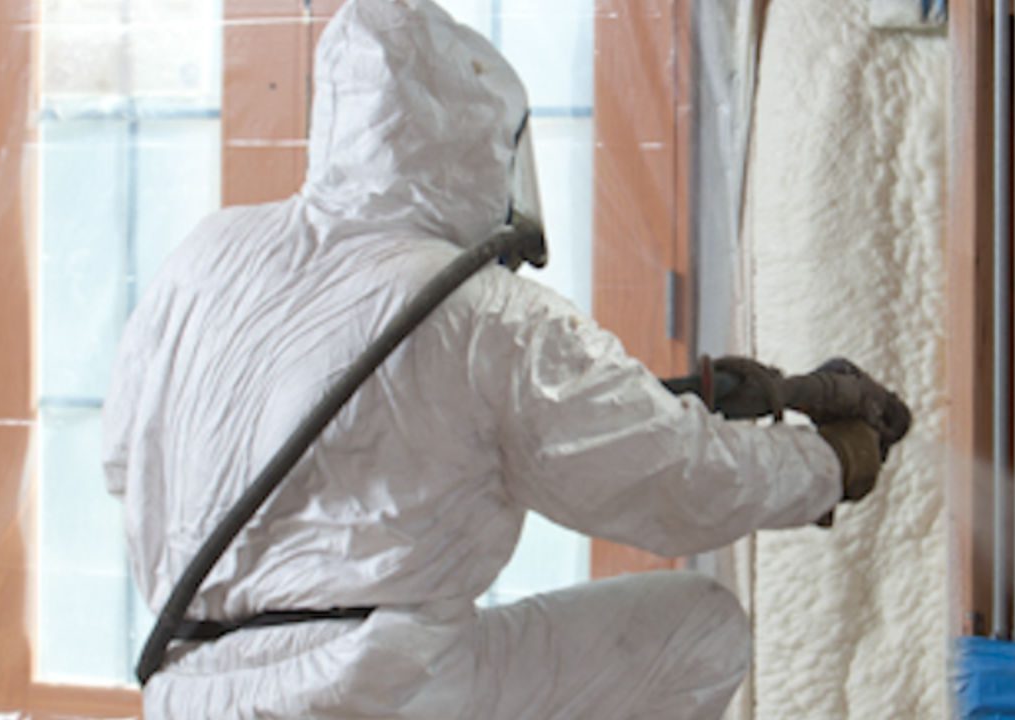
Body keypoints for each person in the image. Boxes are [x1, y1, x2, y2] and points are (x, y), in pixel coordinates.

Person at [102, 0, 910, 717]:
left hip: (189, 694)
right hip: (373, 694)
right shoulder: (480, 314)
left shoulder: (205, 258)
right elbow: (669, 480)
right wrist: (827, 463)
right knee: (698, 630)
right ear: (478, 140)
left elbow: (121, 465)